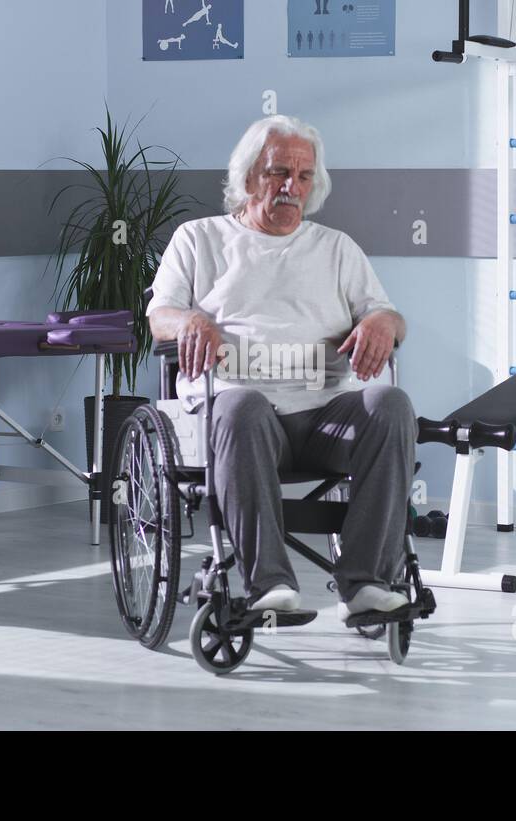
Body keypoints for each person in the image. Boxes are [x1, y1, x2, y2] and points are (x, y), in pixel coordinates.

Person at [146, 115, 416, 621]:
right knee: (241, 405)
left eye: (304, 176)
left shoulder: (336, 248)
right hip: (241, 414)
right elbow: (160, 314)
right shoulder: (198, 238)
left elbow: (389, 315)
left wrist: (383, 322)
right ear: (249, 177)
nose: (293, 187)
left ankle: (364, 583)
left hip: (324, 412)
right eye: (278, 173)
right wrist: (188, 321)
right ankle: (269, 585)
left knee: (390, 403)